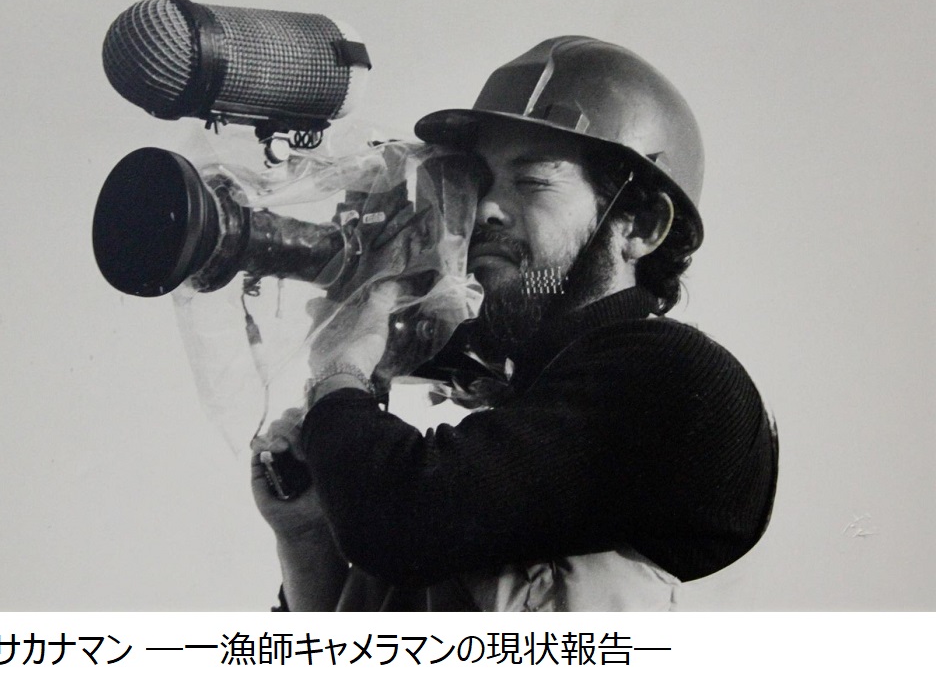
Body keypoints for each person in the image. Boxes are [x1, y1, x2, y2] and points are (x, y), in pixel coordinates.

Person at [251, 37, 778, 611]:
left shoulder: (674, 376)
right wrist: (308, 537)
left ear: (642, 225)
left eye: (531, 182)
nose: (486, 210)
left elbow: (403, 519)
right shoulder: (526, 423)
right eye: (479, 185)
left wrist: (343, 370)